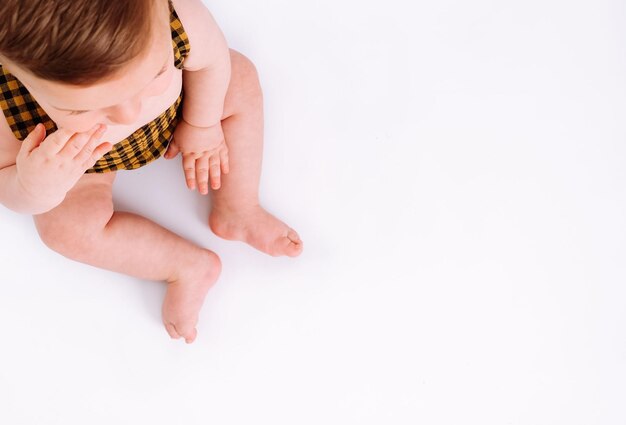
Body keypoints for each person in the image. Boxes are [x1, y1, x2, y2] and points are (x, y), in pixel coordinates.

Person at [0, 0, 303, 344]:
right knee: (63, 229)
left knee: (240, 77)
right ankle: (182, 265)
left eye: (155, 73)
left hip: (179, 114)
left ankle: (239, 208)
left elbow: (211, 60)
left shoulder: (175, 13)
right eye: (83, 108)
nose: (128, 113)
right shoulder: (6, 108)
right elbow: (6, 181)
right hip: (86, 167)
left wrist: (201, 123)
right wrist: (35, 185)